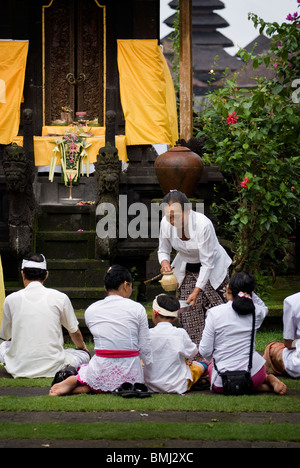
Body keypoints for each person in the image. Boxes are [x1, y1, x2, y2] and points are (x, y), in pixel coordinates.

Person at [50, 265, 152, 396]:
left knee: (92, 371)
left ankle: (81, 382)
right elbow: (145, 346)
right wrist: (148, 367)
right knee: (133, 377)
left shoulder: (91, 310)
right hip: (130, 371)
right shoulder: (137, 308)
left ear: (105, 287)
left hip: (100, 369)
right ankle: (87, 386)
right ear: (126, 285)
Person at [158, 190, 232, 348]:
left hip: (212, 267)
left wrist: (197, 290)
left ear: (188, 210)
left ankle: (222, 354)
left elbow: (207, 263)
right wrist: (164, 262)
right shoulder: (165, 223)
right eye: (168, 216)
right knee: (189, 314)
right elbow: (163, 250)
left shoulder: (202, 225)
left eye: (176, 216)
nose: (171, 220)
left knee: (219, 313)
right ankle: (197, 357)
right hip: (187, 267)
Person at [0, 253, 90, 378]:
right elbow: (74, 332)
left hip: (19, 367)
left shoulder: (11, 299)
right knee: (83, 354)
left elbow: (6, 337)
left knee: (3, 346)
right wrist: (83, 348)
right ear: (46, 275)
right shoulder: (60, 298)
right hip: (55, 367)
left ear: (22, 273)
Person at [199, 271, 287, 395]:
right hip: (254, 375)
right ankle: (265, 380)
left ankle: (255, 385)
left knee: (210, 367)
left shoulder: (214, 313)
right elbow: (264, 307)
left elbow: (205, 351)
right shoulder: (256, 312)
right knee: (256, 364)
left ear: (228, 288)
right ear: (250, 292)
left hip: (222, 382)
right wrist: (248, 290)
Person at [144, 294, 207, 394]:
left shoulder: (147, 334)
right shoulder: (180, 333)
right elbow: (193, 352)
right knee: (200, 365)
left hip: (150, 385)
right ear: (174, 318)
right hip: (178, 386)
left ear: (155, 313)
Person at [263, 292, 300, 378]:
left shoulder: (292, 301)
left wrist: (297, 343)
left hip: (298, 364)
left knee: (271, 348)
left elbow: (288, 344)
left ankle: (262, 374)